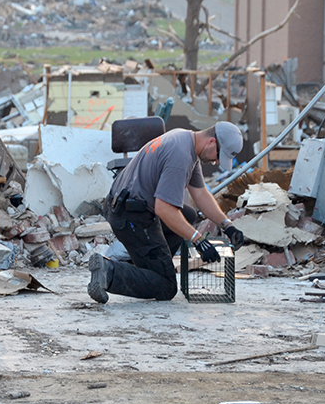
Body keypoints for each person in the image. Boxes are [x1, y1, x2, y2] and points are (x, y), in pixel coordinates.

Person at [88, 122, 245, 304]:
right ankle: (108, 271)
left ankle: (150, 266)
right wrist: (198, 240)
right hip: (130, 217)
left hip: (129, 206)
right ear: (211, 142)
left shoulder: (185, 139)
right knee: (167, 286)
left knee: (188, 214)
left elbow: (201, 194)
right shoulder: (180, 157)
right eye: (218, 156)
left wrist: (227, 225)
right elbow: (164, 209)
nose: (217, 161)